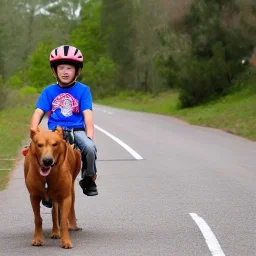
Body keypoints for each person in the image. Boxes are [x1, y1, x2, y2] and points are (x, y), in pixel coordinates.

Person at [30, 45, 98, 200]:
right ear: (54, 70)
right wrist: (34, 132)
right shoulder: (48, 92)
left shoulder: (83, 90)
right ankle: (45, 187)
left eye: (69, 68)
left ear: (77, 71)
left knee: (90, 148)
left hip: (77, 130)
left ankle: (88, 179)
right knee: (44, 154)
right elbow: (38, 112)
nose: (65, 72)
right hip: (56, 132)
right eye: (61, 68)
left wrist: (89, 136)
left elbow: (88, 114)